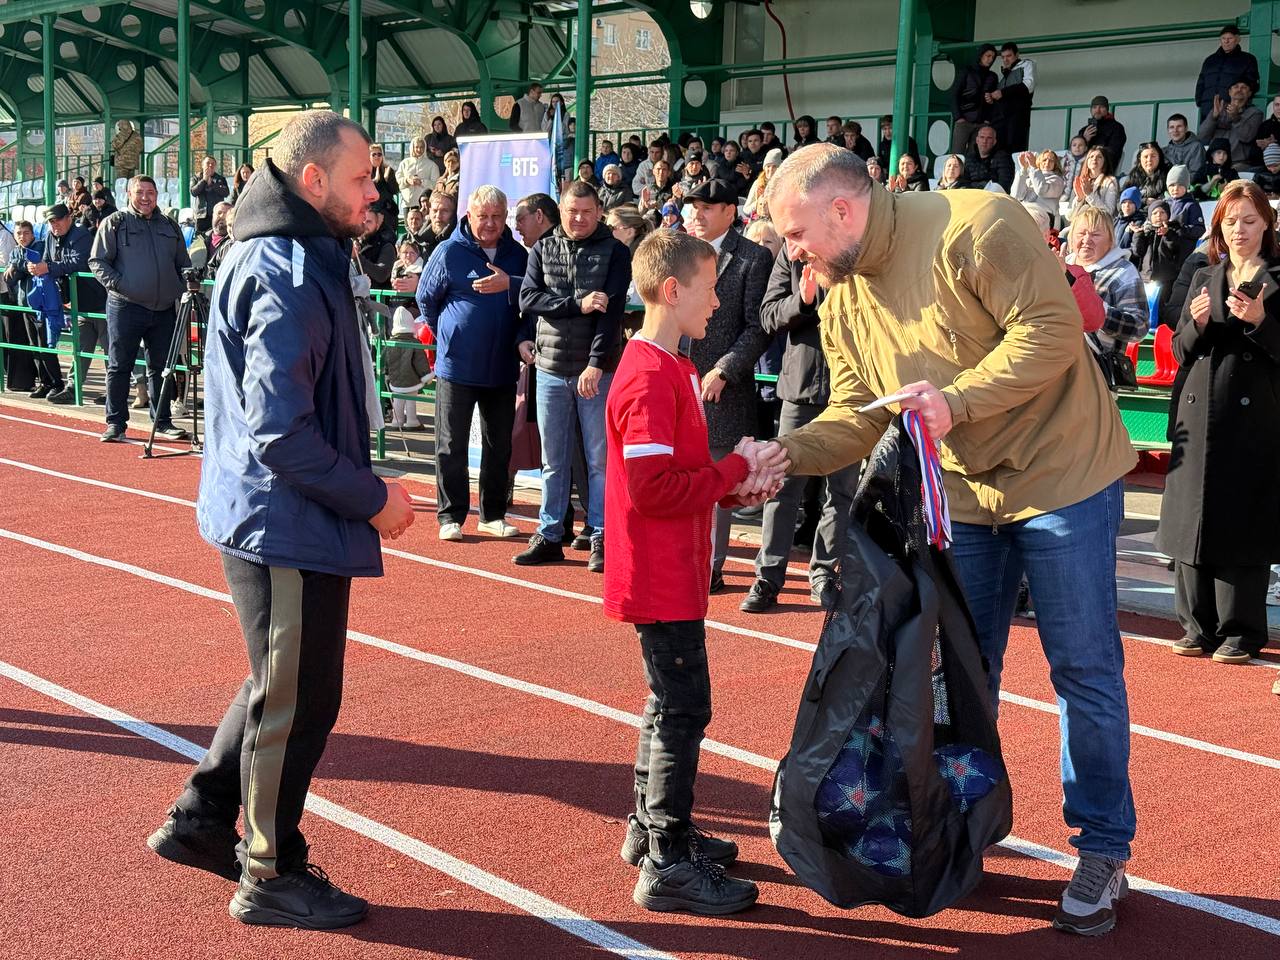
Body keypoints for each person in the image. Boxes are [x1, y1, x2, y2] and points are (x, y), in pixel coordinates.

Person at [765, 144, 1138, 936]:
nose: (791, 253)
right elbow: (859, 414)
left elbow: (1052, 330)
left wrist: (955, 402)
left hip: (1062, 474)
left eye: (795, 233)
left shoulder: (978, 224)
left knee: (1084, 667)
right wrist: (783, 455)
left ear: (841, 208)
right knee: (960, 672)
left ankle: (1103, 848)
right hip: (962, 497)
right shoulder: (838, 294)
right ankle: (969, 818)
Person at [148, 110, 415, 930]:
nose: (376, 192)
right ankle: (269, 873)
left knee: (282, 684)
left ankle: (200, 818)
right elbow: (279, 433)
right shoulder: (287, 269)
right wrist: (374, 497)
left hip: (281, 515)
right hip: (285, 519)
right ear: (313, 181)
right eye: (363, 177)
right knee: (297, 700)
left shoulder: (299, 254)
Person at [604, 229, 768, 916]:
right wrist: (734, 471)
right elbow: (652, 490)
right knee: (683, 707)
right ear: (673, 291)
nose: (719, 301)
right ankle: (667, 858)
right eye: (709, 290)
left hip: (671, 568)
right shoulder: (647, 373)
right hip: (659, 573)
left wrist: (732, 488)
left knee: (668, 703)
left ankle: (651, 830)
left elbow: (681, 476)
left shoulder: (671, 366)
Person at [1158, 179, 1279, 664]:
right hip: (1197, 408)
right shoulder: (1205, 274)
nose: (1239, 230)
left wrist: (1260, 320)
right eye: (1231, 222)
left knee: (1242, 519)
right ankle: (1196, 624)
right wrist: (1197, 325)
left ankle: (1242, 631)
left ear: (1267, 224)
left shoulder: (1278, 277)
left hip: (1253, 415)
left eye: (1249, 220)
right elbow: (1178, 348)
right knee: (1191, 517)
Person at [515, 181, 632, 570]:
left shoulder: (615, 252)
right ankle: (550, 534)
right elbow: (528, 299)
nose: (578, 218)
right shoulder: (542, 248)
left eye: (586, 211)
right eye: (571, 211)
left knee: (599, 460)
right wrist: (577, 305)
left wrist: (596, 364)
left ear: (598, 211)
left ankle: (601, 534)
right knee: (553, 460)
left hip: (594, 371)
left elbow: (611, 314)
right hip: (549, 367)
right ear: (560, 212)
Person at [746, 241, 859, 612]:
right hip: (800, 387)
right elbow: (768, 315)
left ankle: (824, 572)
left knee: (840, 491)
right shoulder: (791, 252)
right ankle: (768, 576)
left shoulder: (859, 247)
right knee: (782, 484)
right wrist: (804, 299)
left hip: (851, 392)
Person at [416, 184, 529, 540]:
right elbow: (425, 299)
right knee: (451, 443)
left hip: (501, 366)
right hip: (457, 367)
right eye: (484, 217)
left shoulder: (517, 254)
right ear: (469, 215)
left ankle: (493, 514)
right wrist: (449, 334)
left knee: (499, 444)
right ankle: (450, 517)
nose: (490, 224)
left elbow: (530, 300)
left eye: (497, 217)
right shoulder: (449, 252)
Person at [681, 179, 773, 592]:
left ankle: (711, 566)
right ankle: (689, 559)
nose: (696, 214)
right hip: (681, 380)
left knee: (718, 478)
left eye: (706, 207)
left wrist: (724, 369)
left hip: (724, 389)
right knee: (684, 473)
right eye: (693, 207)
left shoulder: (753, 258)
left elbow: (758, 327)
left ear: (729, 212)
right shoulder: (681, 252)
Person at [89, 176, 191, 442]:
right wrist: (121, 285)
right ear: (128, 194)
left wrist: (180, 288)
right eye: (140, 192)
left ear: (157, 195)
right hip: (126, 307)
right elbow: (97, 261)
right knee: (119, 366)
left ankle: (163, 421)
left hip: (164, 310)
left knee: (161, 367)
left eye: (151, 192)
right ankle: (116, 423)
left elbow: (184, 263)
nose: (145, 198)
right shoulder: (115, 223)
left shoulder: (170, 225)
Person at [1065, 207, 1151, 357]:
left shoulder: (1124, 272)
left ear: (1111, 240)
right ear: (1071, 237)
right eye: (1081, 233)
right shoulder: (1061, 266)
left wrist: (1101, 313)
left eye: (1095, 234)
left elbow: (1139, 328)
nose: (1086, 240)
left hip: (1097, 366)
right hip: (1057, 358)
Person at [1131, 200, 1195, 326]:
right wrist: (1138, 235)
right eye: (1154, 213)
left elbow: (1175, 248)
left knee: (1161, 310)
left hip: (1166, 280)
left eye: (1162, 212)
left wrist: (1168, 235)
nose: (1158, 215)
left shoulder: (1174, 231)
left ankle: (1161, 332)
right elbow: (1137, 252)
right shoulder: (1146, 232)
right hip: (1146, 279)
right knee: (1145, 309)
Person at [1, 220, 39, 394]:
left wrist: (13, 264)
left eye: (25, 233)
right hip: (11, 292)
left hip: (12, 294)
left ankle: (24, 380)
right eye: (20, 233)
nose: (21, 236)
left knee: (16, 337)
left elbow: (10, 263)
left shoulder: (5, 236)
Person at [1195, 24, 1260, 122]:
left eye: (1230, 38)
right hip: (1207, 108)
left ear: (1238, 39)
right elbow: (1201, 82)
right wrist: (1199, 101)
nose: (1226, 41)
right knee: (1205, 136)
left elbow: (1252, 84)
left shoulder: (1247, 59)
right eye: (1223, 38)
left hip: (1231, 109)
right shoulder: (1210, 60)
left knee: (1228, 136)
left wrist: (1239, 104)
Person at [384, 304, 432, 430]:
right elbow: (420, 362)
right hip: (411, 380)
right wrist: (427, 376)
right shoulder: (415, 344)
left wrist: (386, 372)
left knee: (398, 400)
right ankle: (412, 420)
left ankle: (397, 420)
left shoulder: (390, 343)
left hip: (395, 380)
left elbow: (385, 361)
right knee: (411, 400)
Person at [1198, 80, 1263, 170]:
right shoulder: (1219, 108)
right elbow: (1202, 136)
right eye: (1236, 87)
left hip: (1238, 163)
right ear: (1229, 92)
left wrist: (1236, 118)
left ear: (1249, 93)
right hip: (1215, 162)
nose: (1239, 89)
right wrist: (1213, 118)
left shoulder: (1255, 113)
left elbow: (1247, 137)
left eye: (1243, 87)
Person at [951, 44, 998, 154]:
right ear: (981, 55)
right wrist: (958, 117)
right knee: (957, 155)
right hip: (964, 120)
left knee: (976, 155)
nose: (990, 59)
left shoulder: (993, 76)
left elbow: (993, 101)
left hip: (982, 122)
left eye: (993, 57)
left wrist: (987, 119)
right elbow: (954, 94)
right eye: (988, 55)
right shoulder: (966, 71)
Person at [990, 42, 1036, 153]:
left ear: (1017, 55)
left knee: (1016, 152)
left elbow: (1028, 86)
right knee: (999, 152)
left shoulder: (1027, 64)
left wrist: (1003, 92)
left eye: (1009, 56)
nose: (1006, 60)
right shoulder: (1004, 75)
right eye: (1003, 57)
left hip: (1017, 118)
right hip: (1001, 119)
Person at [1011, 148, 1064, 219]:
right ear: (1039, 162)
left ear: (1055, 164)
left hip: (1044, 217)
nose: (1047, 163)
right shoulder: (1030, 178)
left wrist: (1034, 168)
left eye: (1051, 161)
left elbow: (1041, 190)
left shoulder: (1057, 180)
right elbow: (1016, 196)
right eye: (1044, 160)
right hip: (1025, 213)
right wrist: (1023, 170)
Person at [1078, 96, 1127, 171]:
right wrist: (1084, 140)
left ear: (1107, 109)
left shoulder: (1117, 128)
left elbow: (1113, 152)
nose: (1097, 110)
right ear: (1091, 110)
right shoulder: (1084, 130)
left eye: (1101, 107)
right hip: (1082, 169)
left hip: (1104, 169)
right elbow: (1075, 152)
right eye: (1094, 107)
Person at [1070, 146, 1119, 219]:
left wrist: (1090, 195)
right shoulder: (1081, 180)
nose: (1094, 159)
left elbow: (1109, 212)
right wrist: (1079, 198)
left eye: (1099, 157)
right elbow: (1071, 215)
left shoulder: (1110, 181)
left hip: (1098, 225)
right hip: (1079, 223)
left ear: (1105, 161)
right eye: (1091, 156)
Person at [960, 124, 1014, 191]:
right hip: (972, 195)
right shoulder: (969, 158)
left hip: (993, 195)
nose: (984, 141)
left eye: (989, 138)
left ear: (994, 142)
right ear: (977, 140)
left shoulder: (1002, 158)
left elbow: (1004, 184)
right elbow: (964, 182)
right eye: (982, 137)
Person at [354, 209, 396, 287]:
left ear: (377, 225)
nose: (364, 224)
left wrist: (356, 257)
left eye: (369, 221)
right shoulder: (348, 243)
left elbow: (381, 274)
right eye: (362, 220)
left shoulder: (386, 246)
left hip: (375, 297)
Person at [398, 137, 441, 213]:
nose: (419, 149)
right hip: (407, 204)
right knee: (408, 225)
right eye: (416, 147)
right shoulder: (404, 163)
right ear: (412, 147)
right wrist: (407, 181)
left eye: (421, 147)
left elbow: (436, 185)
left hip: (423, 204)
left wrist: (422, 182)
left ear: (425, 148)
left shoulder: (432, 165)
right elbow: (397, 181)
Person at [1123, 143, 1170, 212]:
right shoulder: (1134, 174)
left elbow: (1166, 200)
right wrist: (1144, 201)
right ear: (1140, 158)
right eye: (1145, 157)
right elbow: (1122, 199)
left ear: (1159, 157)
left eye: (1153, 156)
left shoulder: (1166, 174)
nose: (1149, 160)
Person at [190, 157, 230, 234]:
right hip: (201, 215)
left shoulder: (220, 179)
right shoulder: (196, 178)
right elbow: (193, 192)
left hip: (217, 215)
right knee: (201, 238)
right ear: (203, 165)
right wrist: (204, 180)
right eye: (208, 163)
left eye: (213, 164)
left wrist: (213, 184)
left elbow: (226, 193)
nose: (210, 165)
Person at [1164, 114, 1207, 183]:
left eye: (1179, 126)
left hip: (1189, 189)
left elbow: (1196, 174)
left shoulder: (1196, 147)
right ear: (1168, 130)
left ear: (1186, 128)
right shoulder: (1164, 151)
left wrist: (1174, 183)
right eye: (1172, 127)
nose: (1175, 130)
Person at [202, 201, 237, 282]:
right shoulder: (199, 240)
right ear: (213, 215)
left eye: (227, 214)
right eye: (219, 213)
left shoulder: (235, 242)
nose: (222, 216)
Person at [1165, 165, 1206, 235]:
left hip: (1183, 243)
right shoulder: (1164, 203)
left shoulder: (1191, 205)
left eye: (1180, 185)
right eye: (1172, 185)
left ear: (1186, 187)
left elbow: (1199, 230)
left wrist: (1180, 229)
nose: (1175, 189)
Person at [418, 190, 457, 261]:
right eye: (435, 211)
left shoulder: (459, 244)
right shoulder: (421, 242)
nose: (438, 216)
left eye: (444, 211)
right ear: (429, 212)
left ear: (453, 214)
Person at [745, 149, 785, 217]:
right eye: (768, 166)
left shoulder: (784, 183)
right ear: (764, 168)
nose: (771, 169)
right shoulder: (757, 183)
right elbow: (746, 210)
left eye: (774, 166)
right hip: (759, 221)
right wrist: (759, 203)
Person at [368, 143, 399, 221]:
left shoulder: (388, 170)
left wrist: (387, 179)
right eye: (374, 154)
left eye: (379, 154)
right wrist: (374, 181)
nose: (377, 157)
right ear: (369, 156)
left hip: (387, 211)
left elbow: (395, 190)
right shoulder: (366, 171)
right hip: (372, 210)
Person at [1060, 135, 1089, 209]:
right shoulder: (1064, 160)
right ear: (1070, 148)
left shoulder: (1087, 161)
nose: (1077, 147)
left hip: (1078, 195)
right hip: (1062, 192)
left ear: (1086, 148)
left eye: (1080, 145)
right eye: (1074, 145)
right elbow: (1058, 173)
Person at [1113, 187, 1145, 252]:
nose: (1127, 205)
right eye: (1124, 202)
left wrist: (1122, 253)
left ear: (1136, 205)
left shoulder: (1139, 223)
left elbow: (1136, 250)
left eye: (1130, 202)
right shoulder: (1116, 221)